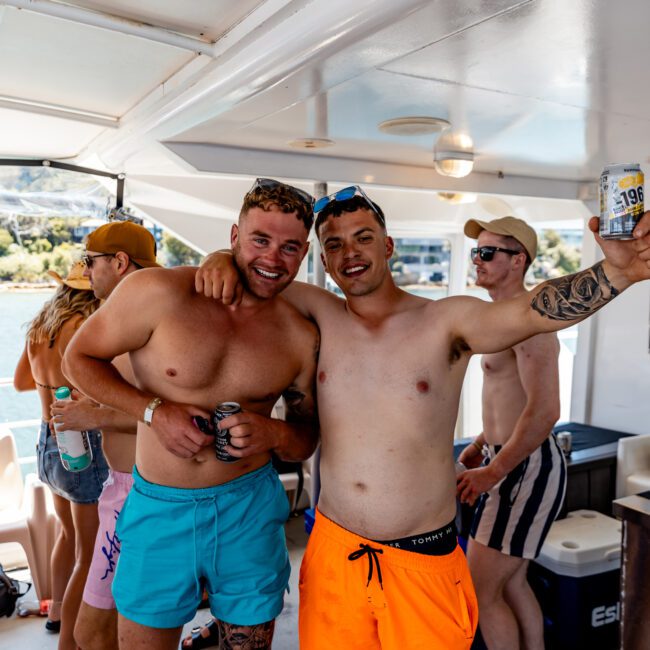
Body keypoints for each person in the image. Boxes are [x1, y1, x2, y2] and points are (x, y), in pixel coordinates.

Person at [196, 185, 650, 649]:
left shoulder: (445, 322)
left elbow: (533, 312)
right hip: (335, 556)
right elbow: (261, 271)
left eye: (363, 237)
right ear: (326, 261)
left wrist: (618, 272)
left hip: (422, 563)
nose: (349, 253)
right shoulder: (318, 312)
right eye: (334, 244)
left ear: (388, 245)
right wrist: (219, 256)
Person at [62, 178, 319, 650]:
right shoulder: (158, 291)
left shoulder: (299, 335)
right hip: (160, 508)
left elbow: (306, 439)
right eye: (260, 240)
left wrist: (272, 432)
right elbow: (77, 360)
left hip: (249, 509)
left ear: (304, 254)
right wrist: (154, 411)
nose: (272, 258)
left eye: (289, 248)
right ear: (234, 235)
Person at [456, 217, 566, 650]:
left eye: (487, 253)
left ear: (518, 260)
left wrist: (493, 470)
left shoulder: (532, 321)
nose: (477, 261)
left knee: (481, 590)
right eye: (475, 253)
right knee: (513, 583)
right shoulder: (502, 318)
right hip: (512, 462)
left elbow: (545, 411)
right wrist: (481, 445)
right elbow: (511, 399)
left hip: (524, 467)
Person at [50, 220, 159, 650]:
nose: (86, 270)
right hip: (120, 489)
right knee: (99, 631)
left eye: (90, 262)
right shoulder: (124, 320)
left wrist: (92, 416)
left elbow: (170, 418)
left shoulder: (149, 324)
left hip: (139, 493)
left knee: (94, 633)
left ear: (119, 262)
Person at [13, 261, 109, 650]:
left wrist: (49, 381)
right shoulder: (87, 326)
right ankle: (68, 642)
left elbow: (21, 382)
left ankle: (53, 614)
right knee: (89, 555)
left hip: (45, 442)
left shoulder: (41, 328)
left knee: (67, 535)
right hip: (81, 445)